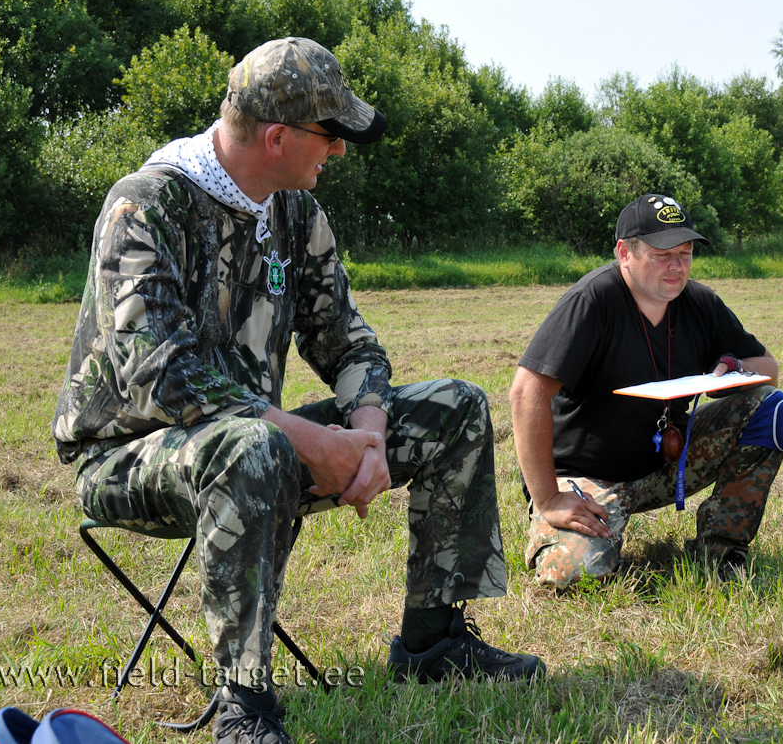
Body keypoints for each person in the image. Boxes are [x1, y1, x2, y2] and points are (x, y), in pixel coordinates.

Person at [52, 37, 543, 744]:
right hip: (128, 455)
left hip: (258, 442)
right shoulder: (146, 205)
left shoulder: (294, 213)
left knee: (455, 407)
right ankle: (244, 705)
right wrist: (313, 439)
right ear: (277, 137)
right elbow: (158, 373)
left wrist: (367, 436)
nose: (339, 149)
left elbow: (347, 340)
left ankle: (433, 644)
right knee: (252, 446)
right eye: (329, 133)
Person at [509, 194, 783, 591]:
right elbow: (526, 393)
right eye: (663, 253)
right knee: (571, 575)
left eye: (685, 253)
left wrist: (732, 368)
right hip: (590, 474)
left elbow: (768, 369)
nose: (677, 265)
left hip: (667, 463)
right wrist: (547, 499)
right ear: (624, 253)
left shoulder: (699, 302)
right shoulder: (592, 301)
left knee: (772, 409)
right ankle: (571, 527)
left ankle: (722, 550)